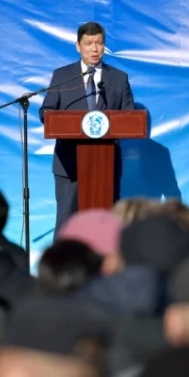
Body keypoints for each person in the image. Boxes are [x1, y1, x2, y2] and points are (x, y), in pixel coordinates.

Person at [39, 22, 135, 230]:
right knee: (67, 225)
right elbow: (46, 111)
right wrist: (58, 120)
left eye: (99, 43)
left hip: (106, 165)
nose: (94, 49)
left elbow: (130, 117)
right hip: (69, 164)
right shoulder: (62, 76)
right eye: (89, 43)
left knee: (105, 226)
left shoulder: (119, 78)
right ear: (78, 46)